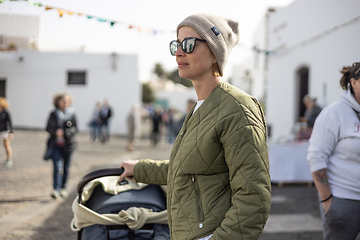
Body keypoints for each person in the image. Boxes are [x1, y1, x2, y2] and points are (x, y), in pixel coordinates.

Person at [119, 14, 271, 240]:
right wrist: (139, 169)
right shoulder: (200, 107)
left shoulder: (238, 107)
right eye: (176, 45)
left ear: (214, 54)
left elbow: (254, 197)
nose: (179, 52)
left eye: (189, 45)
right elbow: (186, 170)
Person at [307, 62, 360, 240]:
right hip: (343, 201)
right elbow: (315, 156)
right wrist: (327, 200)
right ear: (354, 83)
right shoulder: (334, 113)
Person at [45, 93, 77, 199]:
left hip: (68, 145)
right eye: (63, 100)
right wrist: (55, 132)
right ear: (58, 102)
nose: (65, 103)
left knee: (66, 167)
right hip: (55, 145)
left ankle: (63, 187)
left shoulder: (72, 114)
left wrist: (65, 133)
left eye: (67, 101)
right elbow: (48, 127)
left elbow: (75, 129)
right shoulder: (53, 114)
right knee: (57, 166)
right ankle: (56, 189)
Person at [0, 97, 14, 168]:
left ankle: (9, 158)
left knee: (6, 145)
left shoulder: (6, 112)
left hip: (5, 131)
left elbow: (10, 122)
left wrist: (11, 132)